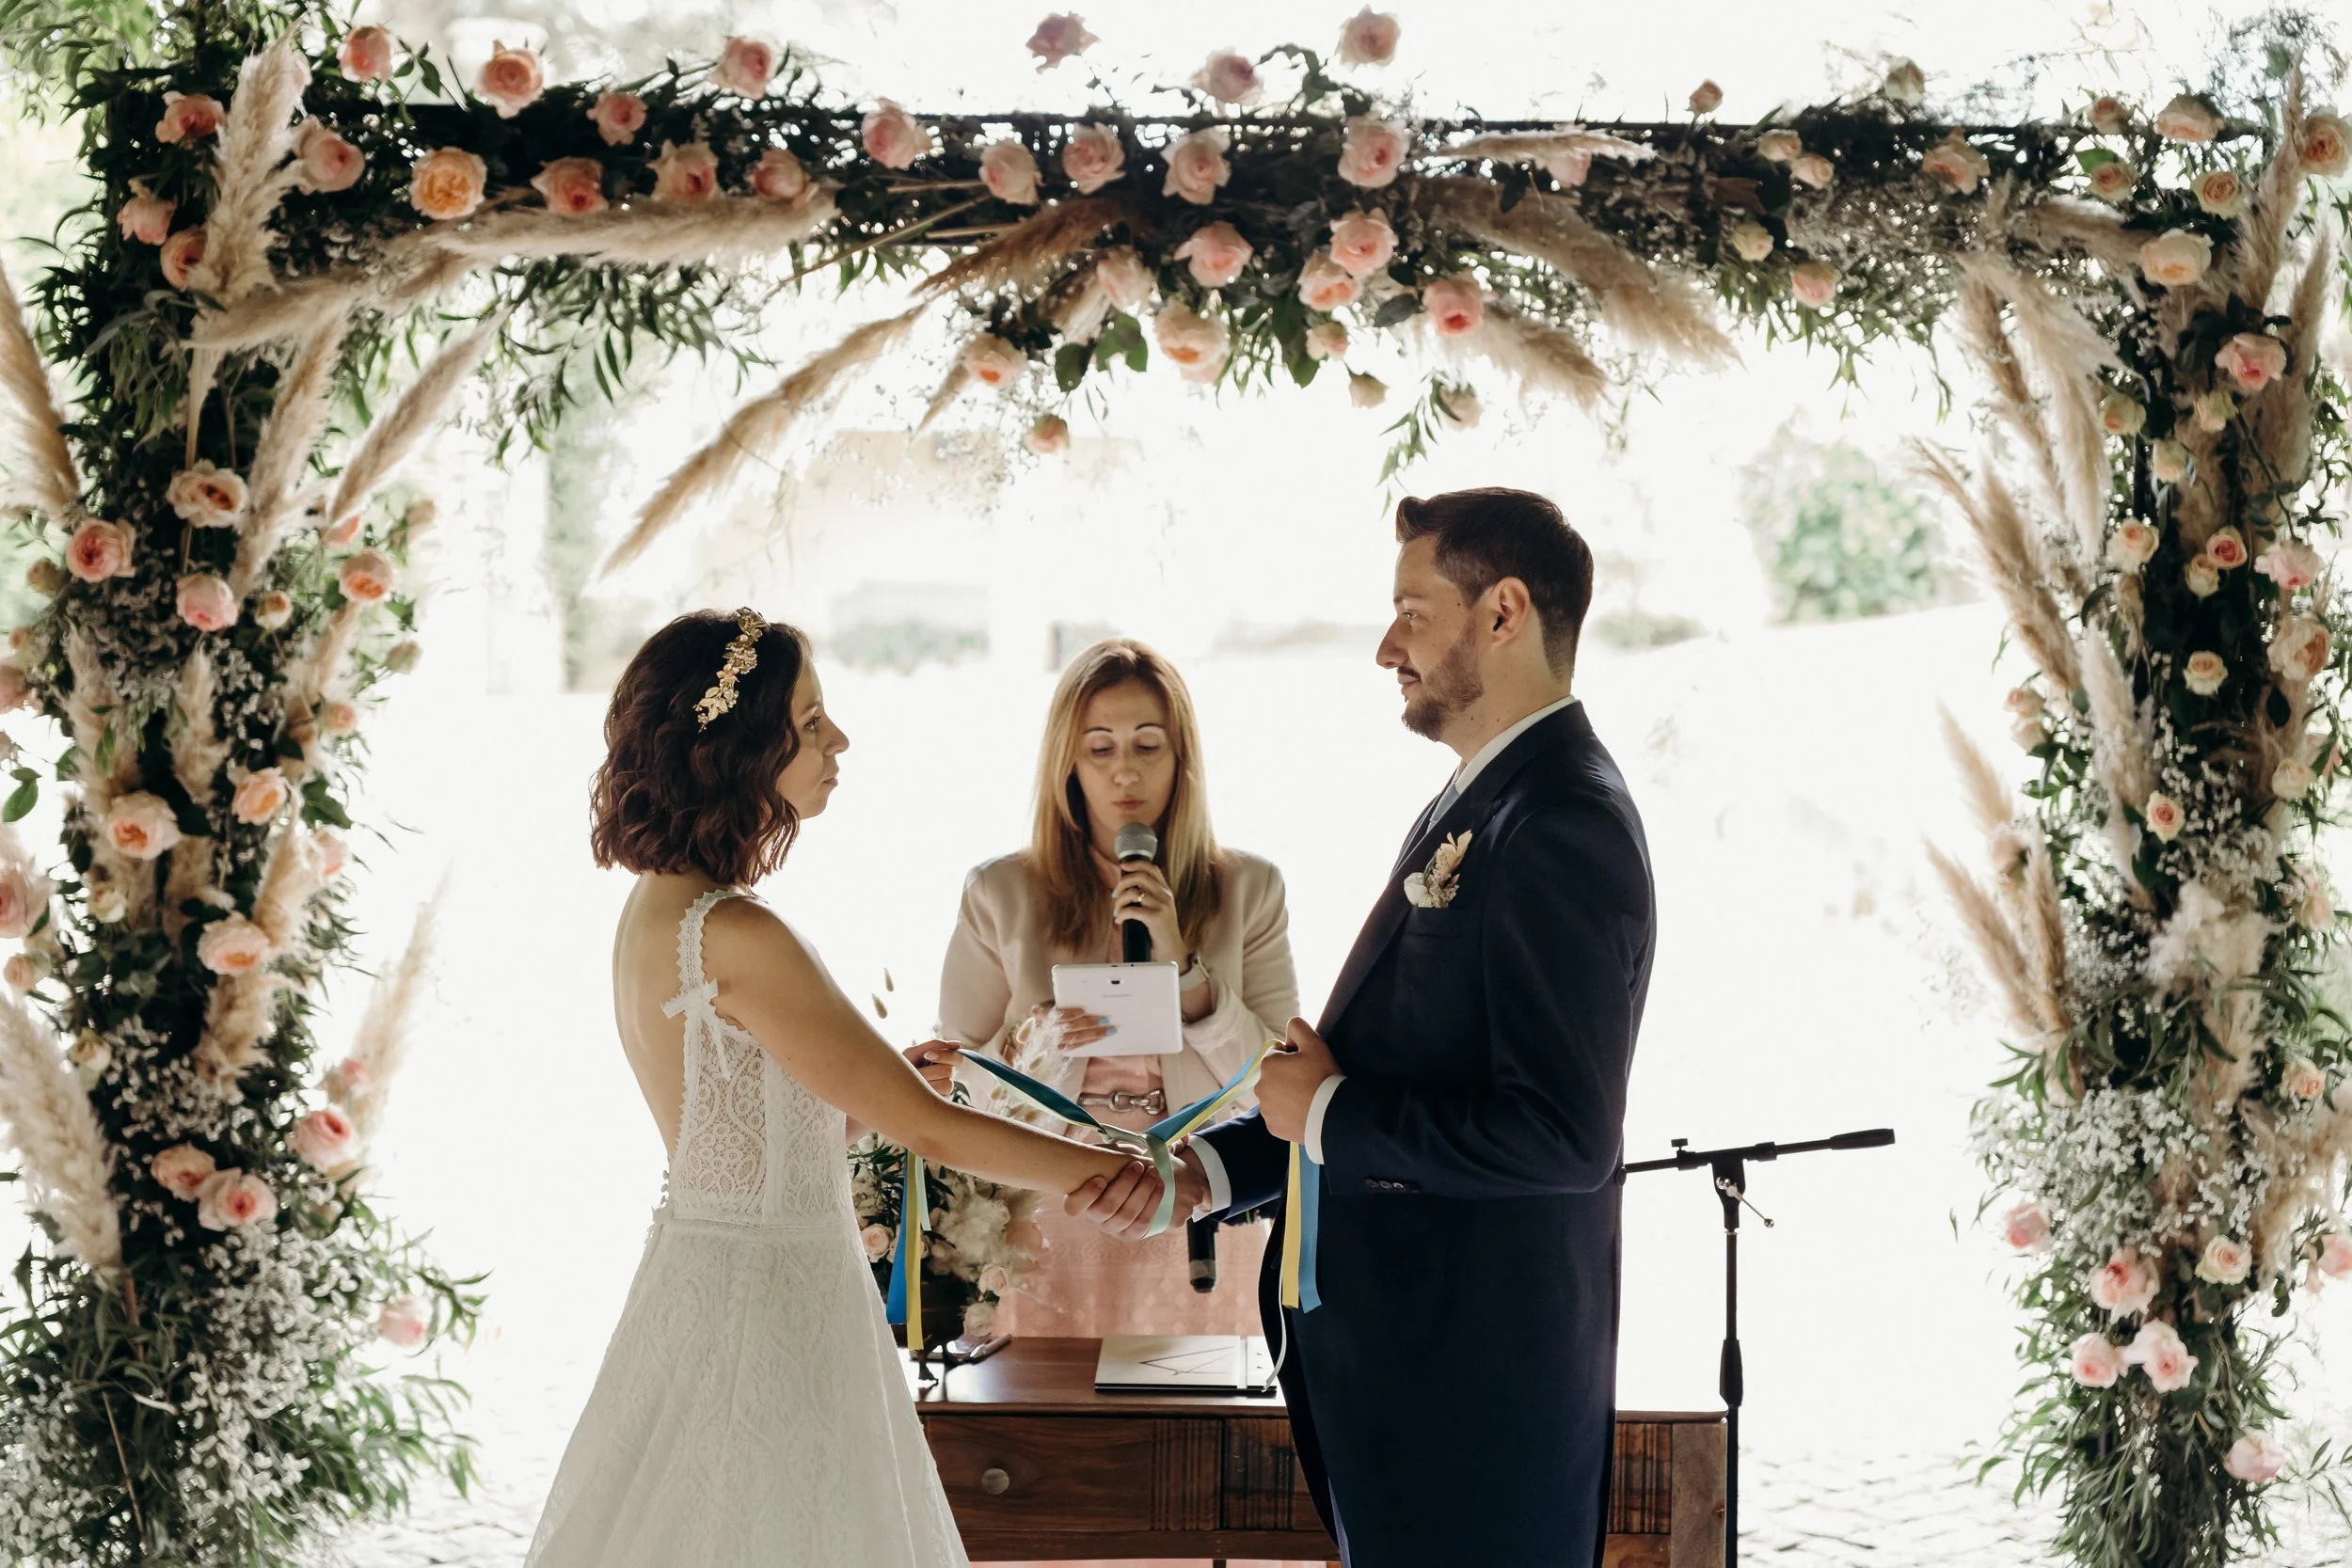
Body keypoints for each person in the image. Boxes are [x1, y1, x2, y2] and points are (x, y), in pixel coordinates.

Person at [1070, 490, 1656, 1568]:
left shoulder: (1561, 820)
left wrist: (1329, 1109)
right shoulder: (1476, 801)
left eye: (1411, 610)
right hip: (1409, 1381)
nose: (1386, 644)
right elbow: (1376, 1065)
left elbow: (1563, 1136)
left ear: (1503, 612)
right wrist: (1202, 1173)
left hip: (1476, 1399)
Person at [527, 609, 1138, 1568]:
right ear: (734, 747)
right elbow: (923, 1129)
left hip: (709, 1269)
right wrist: (1112, 1165)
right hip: (771, 1300)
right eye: (811, 722)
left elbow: (754, 1117)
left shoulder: (659, 909)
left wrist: (867, 1084)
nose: (838, 740)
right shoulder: (736, 931)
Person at [928, 638, 1299, 1342]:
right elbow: (951, 1090)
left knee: (1190, 1438)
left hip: (1191, 1207)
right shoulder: (1000, 892)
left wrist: (1187, 970)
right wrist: (1037, 1041)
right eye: (1099, 748)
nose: (1124, 769)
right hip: (1049, 1212)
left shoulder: (1249, 888)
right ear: (1067, 760)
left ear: (1181, 757)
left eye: (1147, 745)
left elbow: (1276, 1091)